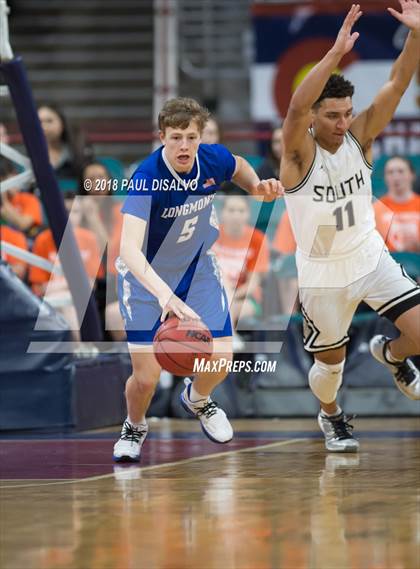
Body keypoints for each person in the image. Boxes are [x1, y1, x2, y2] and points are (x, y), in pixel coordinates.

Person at [280, 3, 420, 453]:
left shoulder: (359, 136)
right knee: (330, 369)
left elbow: (398, 82)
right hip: (323, 274)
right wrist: (336, 52)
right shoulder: (298, 155)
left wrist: (417, 34)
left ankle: (391, 354)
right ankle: (332, 415)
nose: (343, 123)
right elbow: (296, 106)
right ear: (315, 118)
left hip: (369, 256)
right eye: (333, 115)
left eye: (347, 113)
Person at [113, 97, 282, 462]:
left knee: (221, 356)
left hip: (196, 268)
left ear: (200, 137)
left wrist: (255, 187)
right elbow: (128, 249)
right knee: (146, 378)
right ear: (162, 137)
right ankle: (135, 425)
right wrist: (164, 296)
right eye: (176, 137)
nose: (184, 146)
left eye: (191, 137)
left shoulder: (212, 157)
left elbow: (238, 166)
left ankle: (198, 398)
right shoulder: (146, 178)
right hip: (145, 276)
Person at [212, 193, 270, 324]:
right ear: (222, 213)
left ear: (248, 214)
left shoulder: (257, 239)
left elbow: (253, 283)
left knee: (231, 308)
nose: (236, 215)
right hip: (212, 294)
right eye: (231, 210)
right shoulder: (211, 233)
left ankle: (228, 340)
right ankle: (231, 339)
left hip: (243, 298)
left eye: (241, 211)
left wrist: (230, 296)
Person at [374, 155, 420, 252]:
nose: (396, 177)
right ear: (385, 177)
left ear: (412, 175)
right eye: (390, 172)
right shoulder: (376, 209)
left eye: (401, 171)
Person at [38, 103, 93, 182]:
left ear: (62, 123)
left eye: (49, 121)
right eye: (39, 122)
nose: (43, 127)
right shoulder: (32, 156)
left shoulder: (78, 150)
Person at [0, 158, 43, 237]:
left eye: (5, 179)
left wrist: (4, 200)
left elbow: (23, 224)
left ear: (14, 175)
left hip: (27, 243)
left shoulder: (30, 199)